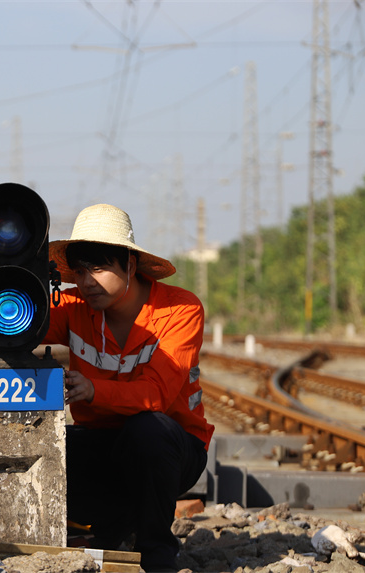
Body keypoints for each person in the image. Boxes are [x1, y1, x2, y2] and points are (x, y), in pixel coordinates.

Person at [43, 204, 214, 572]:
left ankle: (156, 554)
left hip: (170, 447)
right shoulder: (74, 306)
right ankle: (113, 526)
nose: (87, 281)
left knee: (147, 431)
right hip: (104, 443)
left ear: (131, 266)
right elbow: (5, 325)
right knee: (41, 448)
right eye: (80, 271)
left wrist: (94, 390)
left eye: (99, 268)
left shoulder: (180, 310)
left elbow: (157, 395)